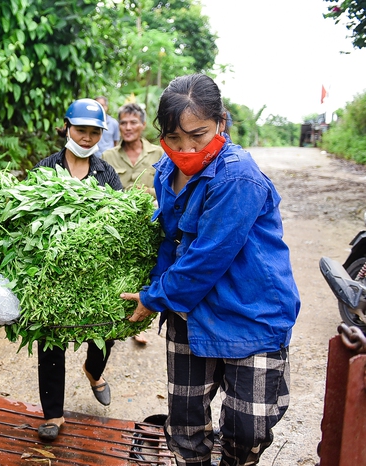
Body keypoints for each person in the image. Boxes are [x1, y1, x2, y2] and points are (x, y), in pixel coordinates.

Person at [122, 74, 300, 466]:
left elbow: (207, 257)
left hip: (250, 313)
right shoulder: (166, 173)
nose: (186, 148)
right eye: (174, 138)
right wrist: (155, 285)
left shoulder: (238, 176)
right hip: (193, 313)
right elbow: (170, 242)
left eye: (197, 136)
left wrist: (156, 297)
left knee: (248, 428)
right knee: (185, 424)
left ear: (221, 122)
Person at [32, 98, 123, 441]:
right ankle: (54, 415)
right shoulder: (47, 168)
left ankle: (93, 369)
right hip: (55, 271)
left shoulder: (106, 173)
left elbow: (121, 214)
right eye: (81, 130)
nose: (86, 138)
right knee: (50, 340)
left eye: (94, 132)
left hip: (95, 270)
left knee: (106, 329)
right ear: (67, 128)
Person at [102, 103, 163, 346]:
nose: (128, 127)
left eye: (133, 122)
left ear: (143, 125)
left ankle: (138, 321)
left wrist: (144, 192)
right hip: (116, 226)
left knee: (143, 271)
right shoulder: (108, 156)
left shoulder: (157, 154)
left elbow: (167, 191)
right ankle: (112, 315)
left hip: (148, 225)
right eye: (123, 123)